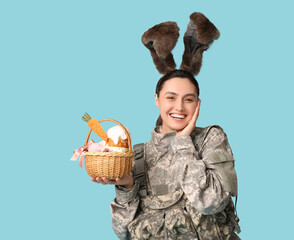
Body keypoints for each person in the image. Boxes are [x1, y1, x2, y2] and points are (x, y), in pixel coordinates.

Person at [92, 70, 241, 239]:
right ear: (157, 99)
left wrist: (183, 142)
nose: (179, 107)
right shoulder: (139, 156)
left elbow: (210, 203)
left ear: (198, 104)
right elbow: (123, 232)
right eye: (171, 97)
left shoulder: (211, 138)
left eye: (189, 99)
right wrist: (127, 186)